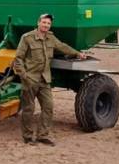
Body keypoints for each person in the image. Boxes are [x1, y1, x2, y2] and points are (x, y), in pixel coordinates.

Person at [13, 13, 87, 146]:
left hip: (45, 79)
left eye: (48, 23)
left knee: (48, 107)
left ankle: (42, 135)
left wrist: (77, 53)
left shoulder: (51, 38)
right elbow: (18, 59)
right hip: (30, 79)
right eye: (44, 22)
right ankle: (28, 136)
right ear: (38, 23)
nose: (46, 25)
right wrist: (24, 76)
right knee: (29, 109)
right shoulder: (27, 38)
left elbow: (62, 46)